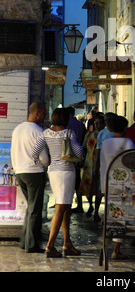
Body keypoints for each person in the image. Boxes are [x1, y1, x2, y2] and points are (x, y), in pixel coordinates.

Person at [32, 107, 83, 258]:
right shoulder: (68, 133)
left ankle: (67, 243)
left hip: (53, 172)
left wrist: (44, 163)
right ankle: (50, 245)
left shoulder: (46, 133)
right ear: (65, 119)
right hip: (67, 172)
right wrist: (75, 145)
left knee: (65, 207)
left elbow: (35, 152)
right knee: (61, 208)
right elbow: (79, 152)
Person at [11, 102, 49, 253]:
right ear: (37, 113)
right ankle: (32, 244)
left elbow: (13, 151)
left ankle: (24, 241)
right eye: (44, 113)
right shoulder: (39, 132)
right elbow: (44, 158)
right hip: (34, 172)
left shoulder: (17, 129)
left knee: (30, 207)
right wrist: (48, 163)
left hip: (20, 171)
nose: (45, 116)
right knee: (35, 209)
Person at [100, 116, 134, 260]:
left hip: (108, 184)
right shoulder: (128, 142)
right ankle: (116, 249)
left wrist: (102, 185)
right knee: (121, 215)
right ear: (124, 128)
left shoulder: (106, 143)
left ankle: (105, 246)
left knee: (110, 214)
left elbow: (102, 165)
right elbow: (131, 165)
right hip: (123, 185)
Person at [78, 115, 105, 219]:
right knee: (87, 188)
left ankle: (97, 212)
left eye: (99, 123)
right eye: (96, 123)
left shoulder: (104, 135)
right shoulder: (90, 134)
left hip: (100, 164)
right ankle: (90, 206)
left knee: (98, 190)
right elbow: (84, 147)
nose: (97, 125)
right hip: (89, 164)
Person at [94, 112, 116, 220]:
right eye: (106, 120)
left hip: (116, 167)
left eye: (110, 120)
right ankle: (96, 212)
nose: (108, 123)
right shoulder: (102, 134)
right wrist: (96, 166)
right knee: (100, 191)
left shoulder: (119, 133)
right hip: (104, 165)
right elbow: (98, 151)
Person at [67, 106, 86, 213]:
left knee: (68, 182)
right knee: (78, 181)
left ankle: (67, 204)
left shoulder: (66, 125)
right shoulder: (80, 124)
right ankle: (80, 204)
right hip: (78, 157)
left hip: (68, 157)